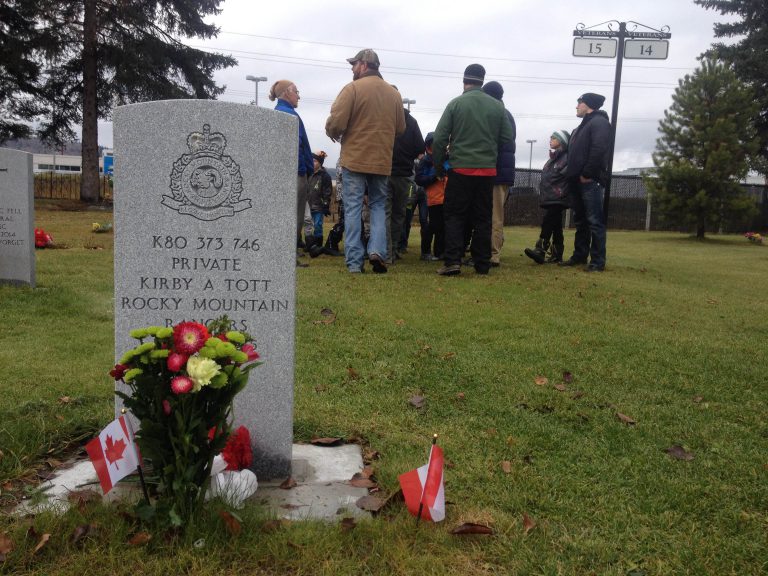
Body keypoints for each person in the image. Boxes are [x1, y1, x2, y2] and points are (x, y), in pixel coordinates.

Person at [326, 49, 405, 274]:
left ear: (363, 65)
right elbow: (400, 128)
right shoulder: (393, 94)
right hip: (381, 160)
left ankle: (354, 262)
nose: (352, 68)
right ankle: (378, 252)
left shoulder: (352, 89)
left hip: (355, 159)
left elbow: (336, 123)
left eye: (354, 64)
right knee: (378, 206)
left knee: (352, 208)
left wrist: (331, 130)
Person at [431, 64, 515, 276]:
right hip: (487, 171)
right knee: (483, 218)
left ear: (464, 80)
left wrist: (440, 166)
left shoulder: (455, 104)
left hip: (460, 169)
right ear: (482, 80)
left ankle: (452, 261)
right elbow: (507, 138)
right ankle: (482, 264)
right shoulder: (497, 107)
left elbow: (440, 139)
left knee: (454, 216)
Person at [560, 92, 611, 272]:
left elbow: (598, 149)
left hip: (590, 180)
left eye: (579, 103)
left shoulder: (599, 123)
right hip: (577, 181)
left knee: (594, 221)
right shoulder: (582, 126)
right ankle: (579, 256)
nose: (576, 106)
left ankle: (597, 262)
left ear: (587, 104)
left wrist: (587, 173)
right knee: (581, 220)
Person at [269, 80, 314, 267]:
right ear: (287, 93)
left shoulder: (275, 114)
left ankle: (284, 255)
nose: (299, 95)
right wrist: (304, 170)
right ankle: (289, 257)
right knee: (295, 217)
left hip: (282, 175)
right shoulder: (289, 116)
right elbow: (296, 147)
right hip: (296, 175)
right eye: (296, 91)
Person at [387, 88, 425, 263]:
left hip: (382, 173)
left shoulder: (381, 117)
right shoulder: (411, 121)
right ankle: (393, 249)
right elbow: (419, 148)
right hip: (403, 174)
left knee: (383, 213)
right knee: (398, 215)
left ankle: (383, 250)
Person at [481, 81, 516, 267]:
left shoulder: (498, 115)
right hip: (503, 172)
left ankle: (493, 254)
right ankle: (492, 249)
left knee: (494, 215)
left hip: (496, 172)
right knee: (495, 213)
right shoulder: (506, 114)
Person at [524, 130, 571, 264]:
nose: (550, 139)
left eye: (554, 137)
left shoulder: (566, 157)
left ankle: (541, 249)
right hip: (551, 196)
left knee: (548, 220)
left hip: (559, 195)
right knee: (555, 224)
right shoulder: (553, 158)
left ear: (561, 141)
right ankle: (557, 254)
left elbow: (565, 176)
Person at [414, 132, 446, 260]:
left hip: (446, 198)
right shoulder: (426, 161)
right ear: (428, 146)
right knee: (432, 226)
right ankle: (426, 252)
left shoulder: (445, 159)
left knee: (443, 227)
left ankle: (440, 252)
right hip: (433, 199)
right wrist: (434, 177)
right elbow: (419, 179)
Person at [307, 151, 332, 257]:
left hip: (318, 205)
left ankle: (318, 245)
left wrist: (326, 204)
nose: (313, 163)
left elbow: (327, 191)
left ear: (320, 163)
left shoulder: (325, 176)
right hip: (308, 204)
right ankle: (309, 246)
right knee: (307, 225)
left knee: (318, 225)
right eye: (312, 160)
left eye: (315, 161)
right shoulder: (308, 173)